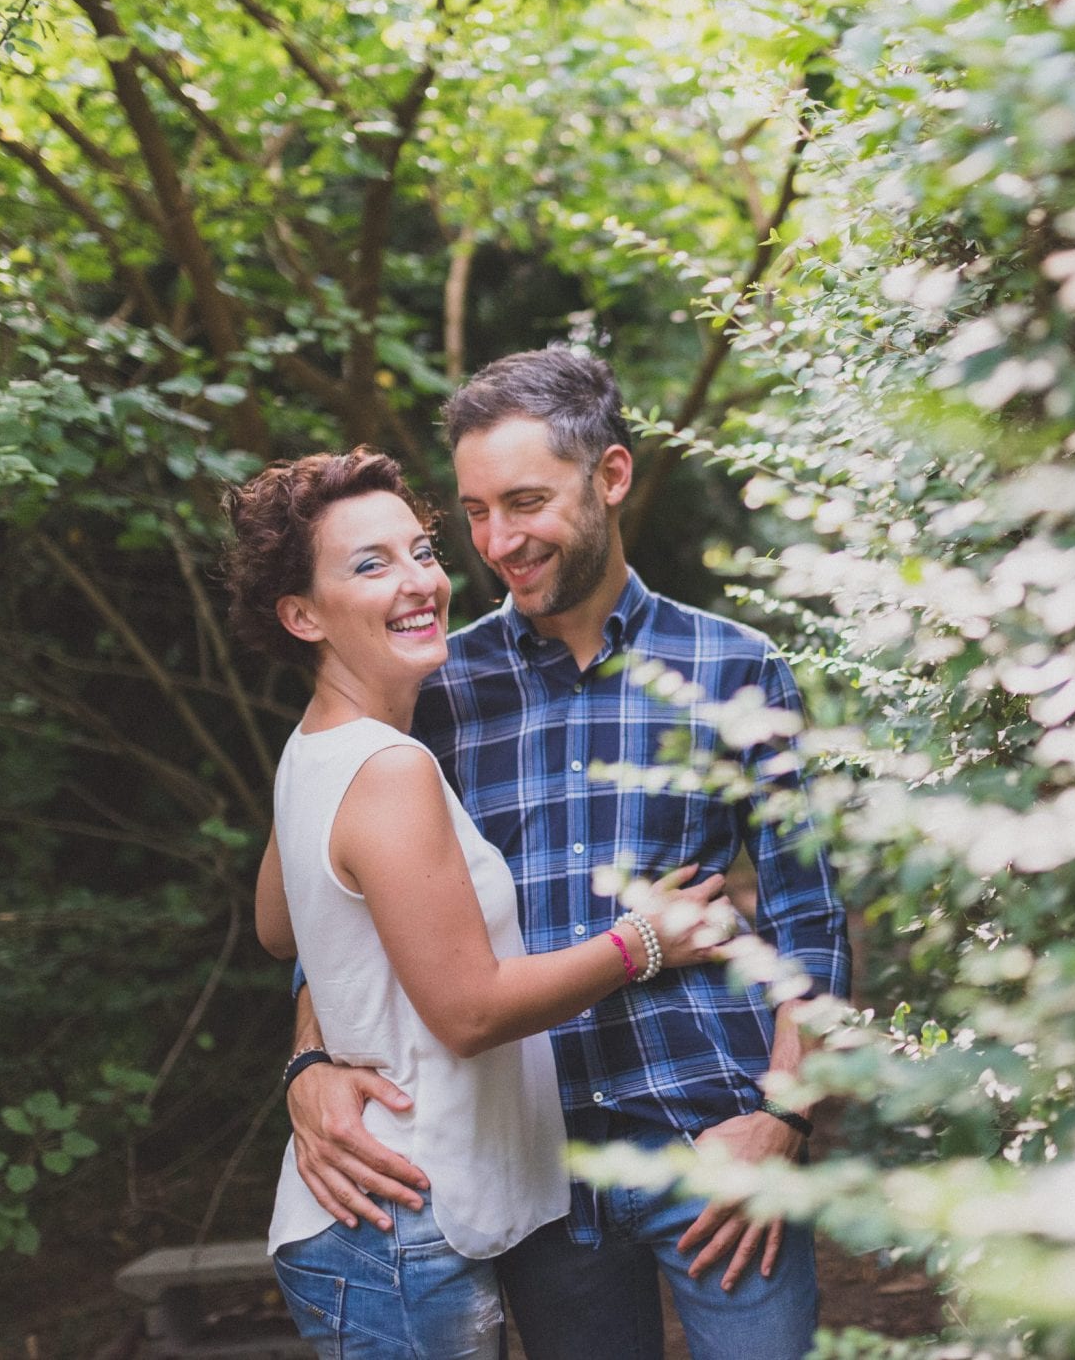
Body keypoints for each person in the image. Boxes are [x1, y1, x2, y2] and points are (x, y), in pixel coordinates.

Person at [284, 347, 852, 1359]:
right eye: (474, 512)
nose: (497, 540)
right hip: (536, 1172)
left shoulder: (735, 667)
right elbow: (345, 909)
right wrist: (309, 1057)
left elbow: (810, 920)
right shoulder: (435, 688)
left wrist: (784, 1118)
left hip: (712, 1139)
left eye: (525, 501)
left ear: (612, 476)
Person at [225, 448, 728, 1358]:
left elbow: (277, 925)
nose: (419, 581)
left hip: (382, 1218)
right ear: (300, 614)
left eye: (421, 549)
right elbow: (468, 1011)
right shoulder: (389, 769)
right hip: (402, 1227)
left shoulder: (318, 748)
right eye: (370, 565)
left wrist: (318, 1053)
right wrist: (645, 941)